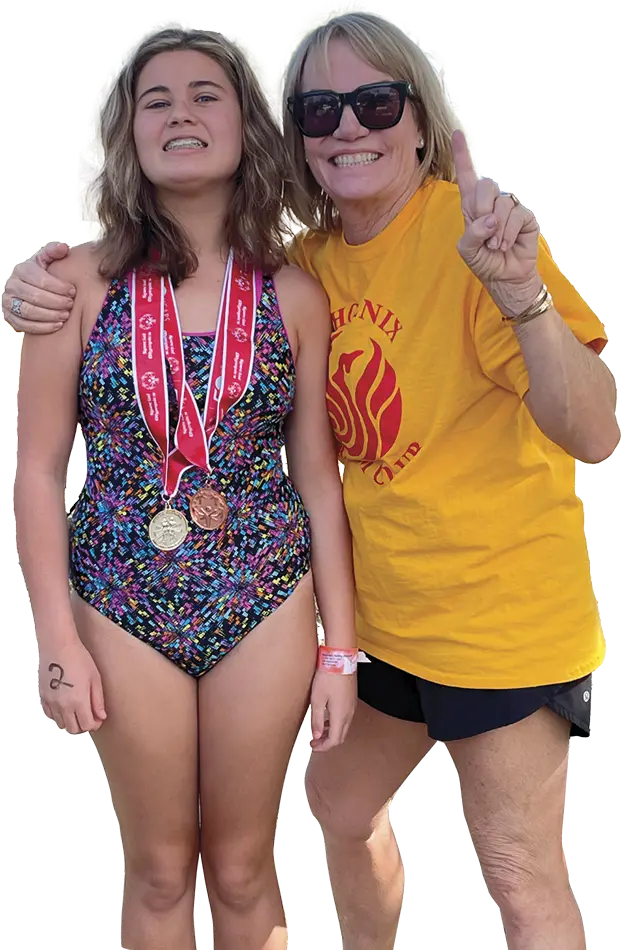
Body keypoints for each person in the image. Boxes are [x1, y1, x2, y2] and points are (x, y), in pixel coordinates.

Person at [4, 10, 619, 950]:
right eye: (322, 108)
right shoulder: (143, 277)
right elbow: (42, 467)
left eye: (375, 101)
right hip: (216, 605)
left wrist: (522, 295)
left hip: (419, 610)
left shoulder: (386, 263)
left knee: (487, 874)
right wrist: (56, 637)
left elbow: (582, 433)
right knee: (251, 837)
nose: (348, 126)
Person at [10, 22, 358, 950]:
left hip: (264, 593)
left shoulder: (293, 293)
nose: (181, 114)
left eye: (206, 94)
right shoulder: (72, 283)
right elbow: (39, 470)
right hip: (120, 599)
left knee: (245, 866)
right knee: (161, 868)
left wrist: (341, 650)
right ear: (127, 133)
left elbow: (316, 478)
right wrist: (53, 636)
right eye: (154, 100)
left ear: (247, 122)